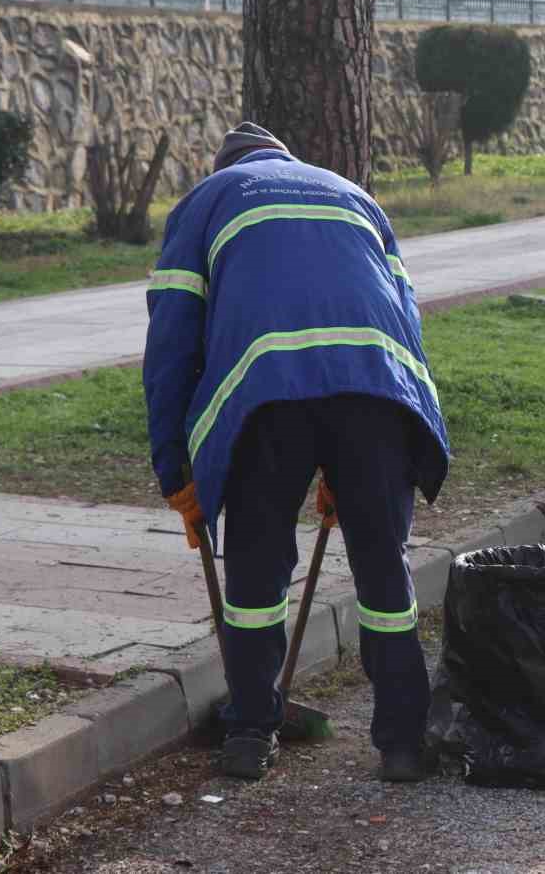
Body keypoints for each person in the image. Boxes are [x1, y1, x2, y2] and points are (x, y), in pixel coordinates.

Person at [145, 123, 449, 783]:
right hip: (377, 388)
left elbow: (172, 339)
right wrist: (377, 449)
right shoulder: (353, 194)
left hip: (267, 395)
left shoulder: (207, 199)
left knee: (257, 569)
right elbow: (406, 312)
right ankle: (403, 742)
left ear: (226, 164)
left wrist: (177, 472)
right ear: (287, 157)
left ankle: (250, 732)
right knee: (383, 572)